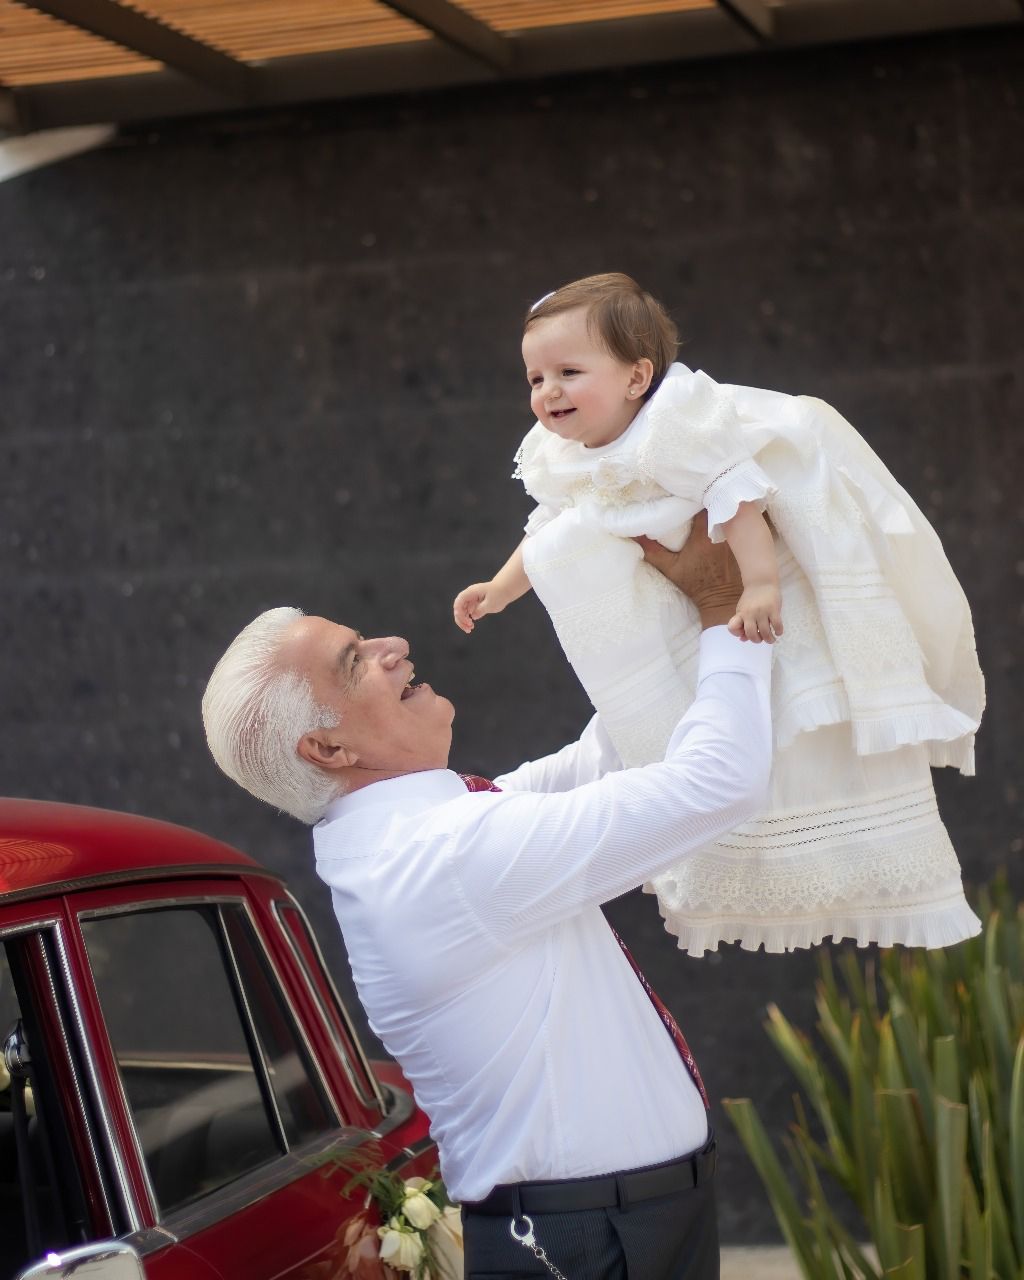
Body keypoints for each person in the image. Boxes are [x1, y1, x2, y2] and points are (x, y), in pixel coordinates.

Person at [202, 519, 770, 1279]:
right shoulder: (441, 857)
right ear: (330, 750)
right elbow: (717, 782)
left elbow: (616, 751)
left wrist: (661, 603)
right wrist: (726, 604)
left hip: (615, 1224)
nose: (393, 646)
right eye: (356, 661)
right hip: (589, 1242)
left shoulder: (426, 838)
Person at [453, 272, 985, 955]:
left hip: (742, 546)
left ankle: (809, 821)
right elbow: (551, 520)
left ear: (637, 376)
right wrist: (499, 588)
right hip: (672, 569)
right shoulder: (564, 450)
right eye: (534, 378)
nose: (547, 392)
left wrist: (759, 584)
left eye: (568, 372)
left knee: (788, 683)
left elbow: (739, 497)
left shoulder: (679, 423)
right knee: (618, 610)